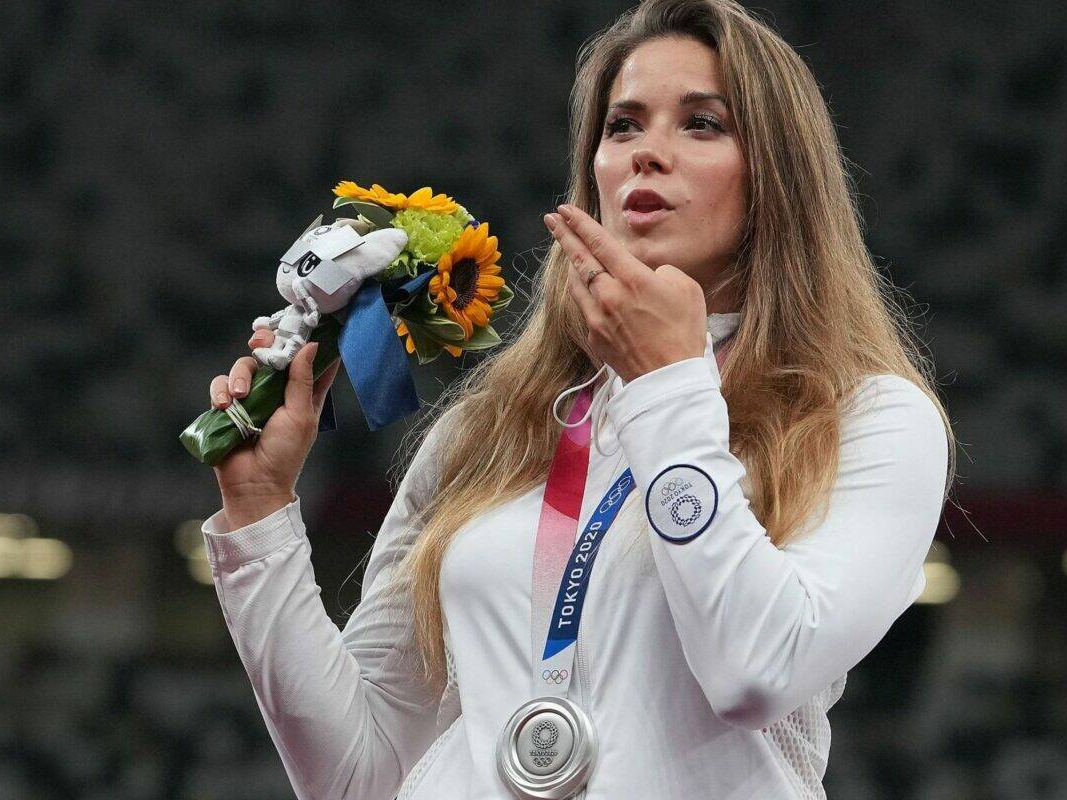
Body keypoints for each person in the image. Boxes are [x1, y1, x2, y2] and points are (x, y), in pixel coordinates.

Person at [200, 0, 956, 797]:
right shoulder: (486, 432)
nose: (646, 155)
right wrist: (259, 514)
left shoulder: (868, 420)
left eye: (702, 124)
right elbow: (353, 773)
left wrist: (667, 384)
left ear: (780, 172)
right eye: (624, 125)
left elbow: (758, 671)